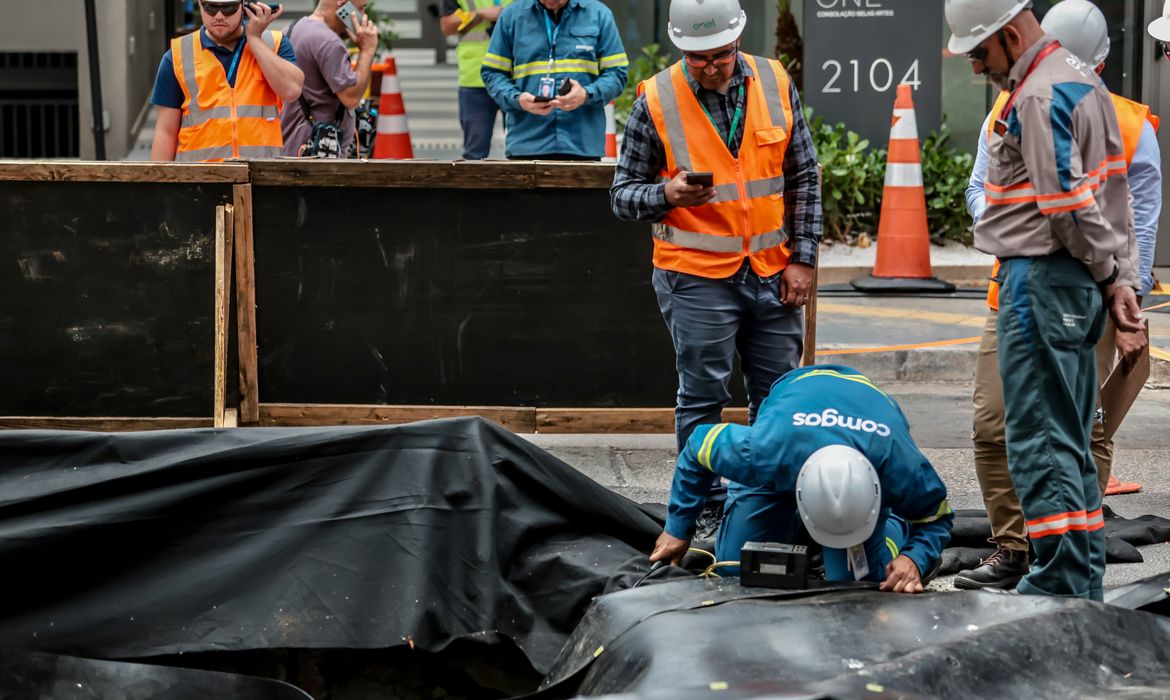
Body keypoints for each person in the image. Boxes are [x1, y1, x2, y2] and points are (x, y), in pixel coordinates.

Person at [945, 0, 1146, 601]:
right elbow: (1117, 201)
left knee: (1037, 439)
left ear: (1009, 35)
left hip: (1042, 280)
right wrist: (1118, 283)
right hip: (1074, 286)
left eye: (979, 51)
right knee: (1070, 439)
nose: (977, 67)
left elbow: (1067, 209)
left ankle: (1059, 581)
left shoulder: (1036, 95)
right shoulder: (1084, 83)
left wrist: (1110, 276)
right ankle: (1078, 579)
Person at [610, 0, 821, 533]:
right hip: (696, 275)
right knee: (702, 396)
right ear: (682, 48)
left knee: (779, 398)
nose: (710, 67)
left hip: (773, 272)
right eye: (697, 58)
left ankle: (769, 506)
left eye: (720, 56)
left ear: (738, 41)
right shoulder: (656, 99)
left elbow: (804, 177)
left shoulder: (775, 81)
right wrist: (667, 192)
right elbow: (623, 196)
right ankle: (701, 511)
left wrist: (804, 259)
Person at [649, 365, 953, 594]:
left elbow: (937, 518)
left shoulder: (898, 465)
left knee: (859, 587)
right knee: (736, 572)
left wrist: (915, 558)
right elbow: (697, 446)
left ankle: (892, 522)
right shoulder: (766, 452)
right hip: (793, 412)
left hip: (865, 412)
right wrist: (678, 528)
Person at [151, 1, 304, 162]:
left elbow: (291, 90)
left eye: (228, 8)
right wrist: (157, 182)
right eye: (210, 8)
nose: (219, 16)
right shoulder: (178, 55)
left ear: (244, 6)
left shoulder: (274, 43)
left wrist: (255, 39)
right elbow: (166, 132)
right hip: (200, 179)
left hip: (261, 177)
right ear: (199, 4)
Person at [480, 0, 628, 160]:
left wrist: (586, 94)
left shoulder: (598, 14)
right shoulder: (511, 16)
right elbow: (493, 73)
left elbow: (617, 73)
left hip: (582, 144)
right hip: (527, 143)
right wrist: (517, 99)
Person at [280, 0, 379, 158]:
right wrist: (367, 50)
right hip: (319, 155)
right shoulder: (329, 42)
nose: (363, 16)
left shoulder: (289, 30)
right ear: (343, 3)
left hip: (290, 146)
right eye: (361, 9)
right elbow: (351, 97)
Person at [440, 0, 514, 160]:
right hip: (475, 77)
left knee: (521, 149)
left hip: (515, 78)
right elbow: (447, 26)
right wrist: (481, 15)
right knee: (475, 152)